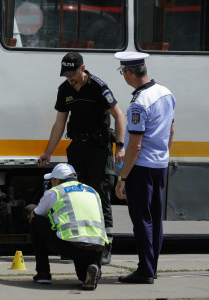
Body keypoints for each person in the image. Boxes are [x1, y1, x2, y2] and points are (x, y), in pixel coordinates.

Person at [38, 52, 126, 265]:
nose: (70, 78)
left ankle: (105, 246)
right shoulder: (65, 90)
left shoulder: (98, 86)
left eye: (72, 73)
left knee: (100, 195)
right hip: (77, 147)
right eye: (66, 74)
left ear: (82, 68)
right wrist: (48, 151)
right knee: (76, 195)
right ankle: (79, 244)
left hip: (98, 149)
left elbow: (119, 116)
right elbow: (59, 123)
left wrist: (120, 146)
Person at [114, 52, 175, 284]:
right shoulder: (166, 93)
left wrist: (123, 177)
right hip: (160, 165)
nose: (124, 77)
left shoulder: (139, 103)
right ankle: (152, 267)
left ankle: (145, 271)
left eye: (123, 73)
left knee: (141, 220)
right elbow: (171, 132)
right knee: (156, 218)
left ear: (130, 73)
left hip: (141, 167)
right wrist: (162, 154)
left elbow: (135, 146)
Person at [30, 163, 108, 291]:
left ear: (57, 180)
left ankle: (43, 273)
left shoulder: (55, 191)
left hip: (71, 245)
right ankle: (94, 269)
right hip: (97, 247)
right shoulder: (92, 191)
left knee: (35, 221)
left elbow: (36, 214)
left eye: (52, 180)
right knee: (84, 276)